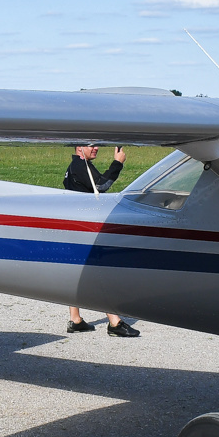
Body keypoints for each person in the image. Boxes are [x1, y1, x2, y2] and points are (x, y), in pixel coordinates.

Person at [61, 144, 141, 337]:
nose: (96, 148)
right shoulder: (80, 166)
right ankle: (114, 323)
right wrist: (118, 163)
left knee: (78, 274)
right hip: (84, 229)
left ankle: (75, 320)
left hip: (76, 228)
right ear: (80, 147)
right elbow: (102, 185)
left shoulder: (78, 165)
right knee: (100, 273)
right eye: (91, 145)